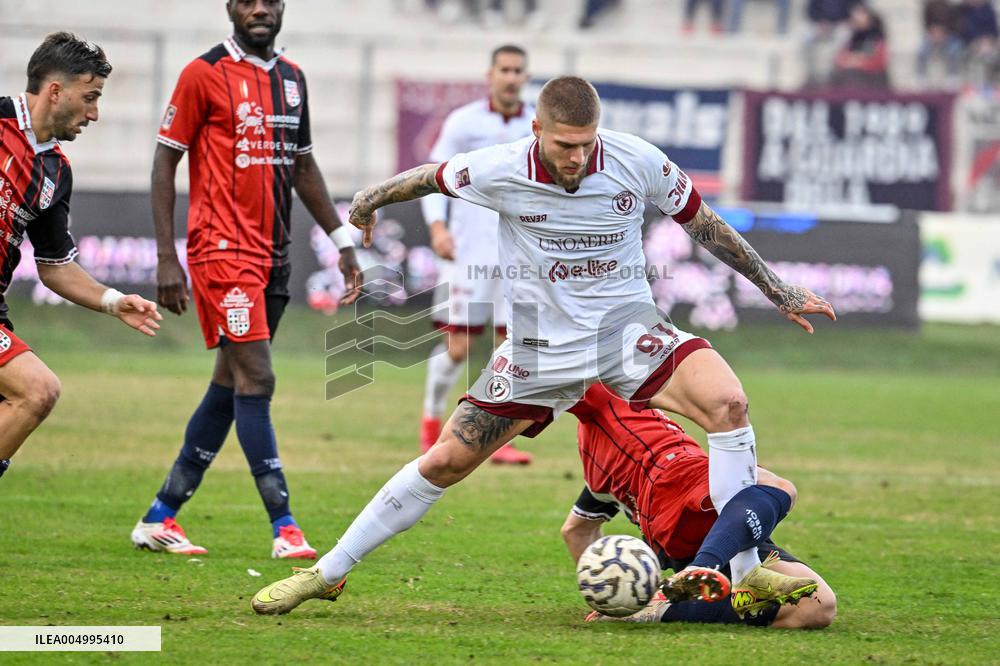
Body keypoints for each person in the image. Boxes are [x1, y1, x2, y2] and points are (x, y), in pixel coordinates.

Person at [250, 76, 835, 615]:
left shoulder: (639, 161)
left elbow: (705, 223)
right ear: (536, 132)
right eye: (563, 145)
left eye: (585, 144)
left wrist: (778, 289)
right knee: (446, 462)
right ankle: (328, 571)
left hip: (627, 333)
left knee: (729, 404)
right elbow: (431, 175)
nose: (577, 157)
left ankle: (745, 571)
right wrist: (370, 199)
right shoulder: (500, 168)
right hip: (540, 350)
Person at [131, 0, 362, 559]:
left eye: (269, 0)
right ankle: (285, 528)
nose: (259, 8)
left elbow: (302, 166)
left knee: (229, 386)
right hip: (222, 254)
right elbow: (166, 161)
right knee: (258, 379)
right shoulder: (202, 74)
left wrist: (344, 241)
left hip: (273, 258)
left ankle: (160, 517)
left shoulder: (292, 78)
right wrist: (169, 257)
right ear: (230, 8)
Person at [0, 33, 163, 481]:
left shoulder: (55, 171)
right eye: (90, 98)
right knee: (36, 390)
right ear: (56, 91)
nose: (94, 113)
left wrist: (112, 301)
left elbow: (54, 266)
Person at [560, 384, 835, 627]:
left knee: (817, 606)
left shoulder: (601, 466)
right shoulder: (604, 386)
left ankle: (664, 606)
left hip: (721, 525)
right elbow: (548, 380)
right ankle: (702, 568)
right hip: (678, 480)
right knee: (778, 487)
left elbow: (576, 530)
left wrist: (609, 595)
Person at [420, 44, 534, 465]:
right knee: (459, 348)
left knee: (513, 348)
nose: (510, 77)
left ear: (525, 76)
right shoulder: (464, 122)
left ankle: (495, 439)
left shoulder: (538, 124)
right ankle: (431, 425)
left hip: (520, 254)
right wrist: (437, 225)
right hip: (469, 250)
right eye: (504, 69)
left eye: (518, 70)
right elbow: (431, 177)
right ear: (491, 74)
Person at [830, 2, 890, 89]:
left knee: (852, 74)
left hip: (873, 79)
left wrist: (856, 62)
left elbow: (878, 61)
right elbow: (839, 59)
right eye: (855, 15)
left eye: (861, 14)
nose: (857, 18)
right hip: (853, 77)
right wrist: (853, 60)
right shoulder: (852, 37)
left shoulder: (877, 36)